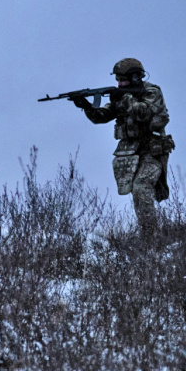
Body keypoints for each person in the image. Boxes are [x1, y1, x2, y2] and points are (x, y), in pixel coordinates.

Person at [70, 58, 174, 239]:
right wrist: (86, 106)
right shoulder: (121, 96)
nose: (119, 83)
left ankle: (151, 239)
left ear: (135, 78)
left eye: (122, 79)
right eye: (117, 79)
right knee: (136, 191)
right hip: (130, 151)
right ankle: (149, 235)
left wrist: (125, 98)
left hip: (153, 149)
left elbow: (144, 112)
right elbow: (101, 117)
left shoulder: (151, 92)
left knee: (141, 187)